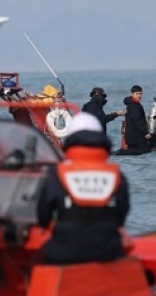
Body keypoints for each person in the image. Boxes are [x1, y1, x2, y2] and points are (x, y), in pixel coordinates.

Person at [37, 112, 130, 264]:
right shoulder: (116, 175)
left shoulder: (58, 173)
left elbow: (43, 214)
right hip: (108, 251)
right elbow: (121, 216)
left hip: (64, 251)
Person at [123, 85, 151, 151]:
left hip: (132, 137)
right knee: (144, 151)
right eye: (137, 94)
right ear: (132, 94)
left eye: (140, 94)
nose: (139, 96)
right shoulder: (133, 105)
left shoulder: (132, 104)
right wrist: (146, 132)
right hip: (136, 138)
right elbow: (138, 120)